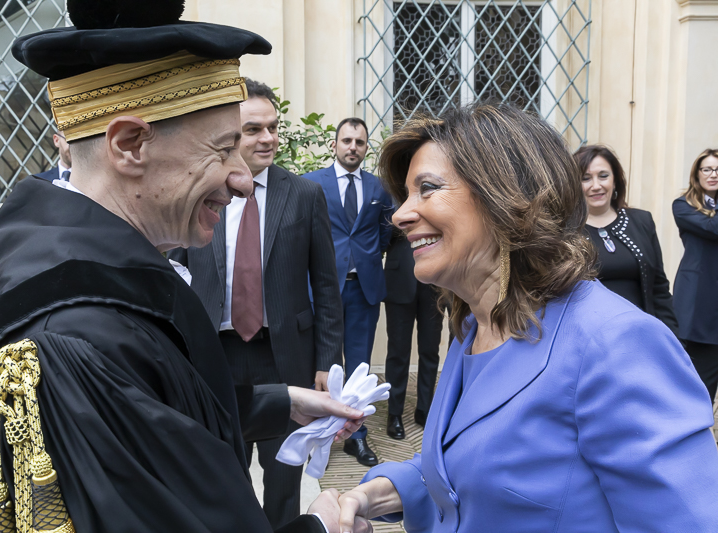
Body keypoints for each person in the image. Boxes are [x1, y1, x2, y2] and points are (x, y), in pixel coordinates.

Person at [0, 5, 372, 533]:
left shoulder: (53, 255)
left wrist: (280, 402)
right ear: (129, 144)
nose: (242, 179)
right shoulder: (74, 340)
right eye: (225, 149)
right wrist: (319, 527)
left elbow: (148, 417)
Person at [334, 104, 718, 532]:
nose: (401, 215)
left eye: (427, 188)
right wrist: (375, 493)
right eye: (404, 195)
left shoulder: (616, 343)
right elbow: (467, 470)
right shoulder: (471, 329)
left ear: (505, 196)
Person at [167, 79, 343, 528]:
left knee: (284, 477)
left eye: (273, 128)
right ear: (230, 135)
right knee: (225, 471)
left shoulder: (303, 195)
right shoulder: (202, 195)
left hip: (283, 357)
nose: (268, 139)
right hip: (216, 357)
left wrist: (327, 360)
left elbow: (325, 286)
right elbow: (172, 275)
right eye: (253, 130)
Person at [303, 118, 393, 467]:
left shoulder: (379, 189)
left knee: (358, 366)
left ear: (366, 147)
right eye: (346, 140)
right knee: (322, 365)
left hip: (364, 290)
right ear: (334, 145)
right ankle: (318, 433)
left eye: (359, 141)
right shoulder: (311, 184)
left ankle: (357, 437)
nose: (352, 147)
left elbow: (384, 235)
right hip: (323, 289)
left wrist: (368, 260)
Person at [573, 144, 678, 335]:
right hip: (588, 341)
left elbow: (659, 289)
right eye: (585, 178)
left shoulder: (641, 221)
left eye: (603, 176)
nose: (596, 185)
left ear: (615, 181)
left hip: (641, 336)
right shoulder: (566, 231)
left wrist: (675, 340)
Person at [383, 229, 443, 438]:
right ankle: (395, 413)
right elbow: (380, 234)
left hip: (435, 284)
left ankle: (424, 410)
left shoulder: (437, 196)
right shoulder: (388, 197)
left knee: (430, 351)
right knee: (398, 352)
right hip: (399, 278)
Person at [673, 148, 718, 405]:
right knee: (697, 389)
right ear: (697, 174)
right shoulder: (683, 206)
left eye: (717, 169)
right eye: (707, 169)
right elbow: (712, 228)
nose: (713, 174)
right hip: (697, 307)